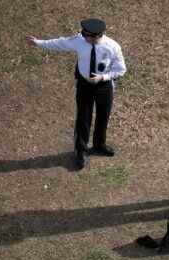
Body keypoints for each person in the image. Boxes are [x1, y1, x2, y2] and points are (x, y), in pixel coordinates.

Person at [26, 18, 127, 170]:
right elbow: (59, 43)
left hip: (104, 87)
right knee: (83, 118)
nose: (82, 36)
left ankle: (99, 145)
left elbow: (121, 69)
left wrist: (103, 77)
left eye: (86, 35)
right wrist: (38, 43)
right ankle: (81, 150)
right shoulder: (80, 41)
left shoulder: (112, 47)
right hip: (85, 85)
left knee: (103, 116)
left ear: (96, 36)